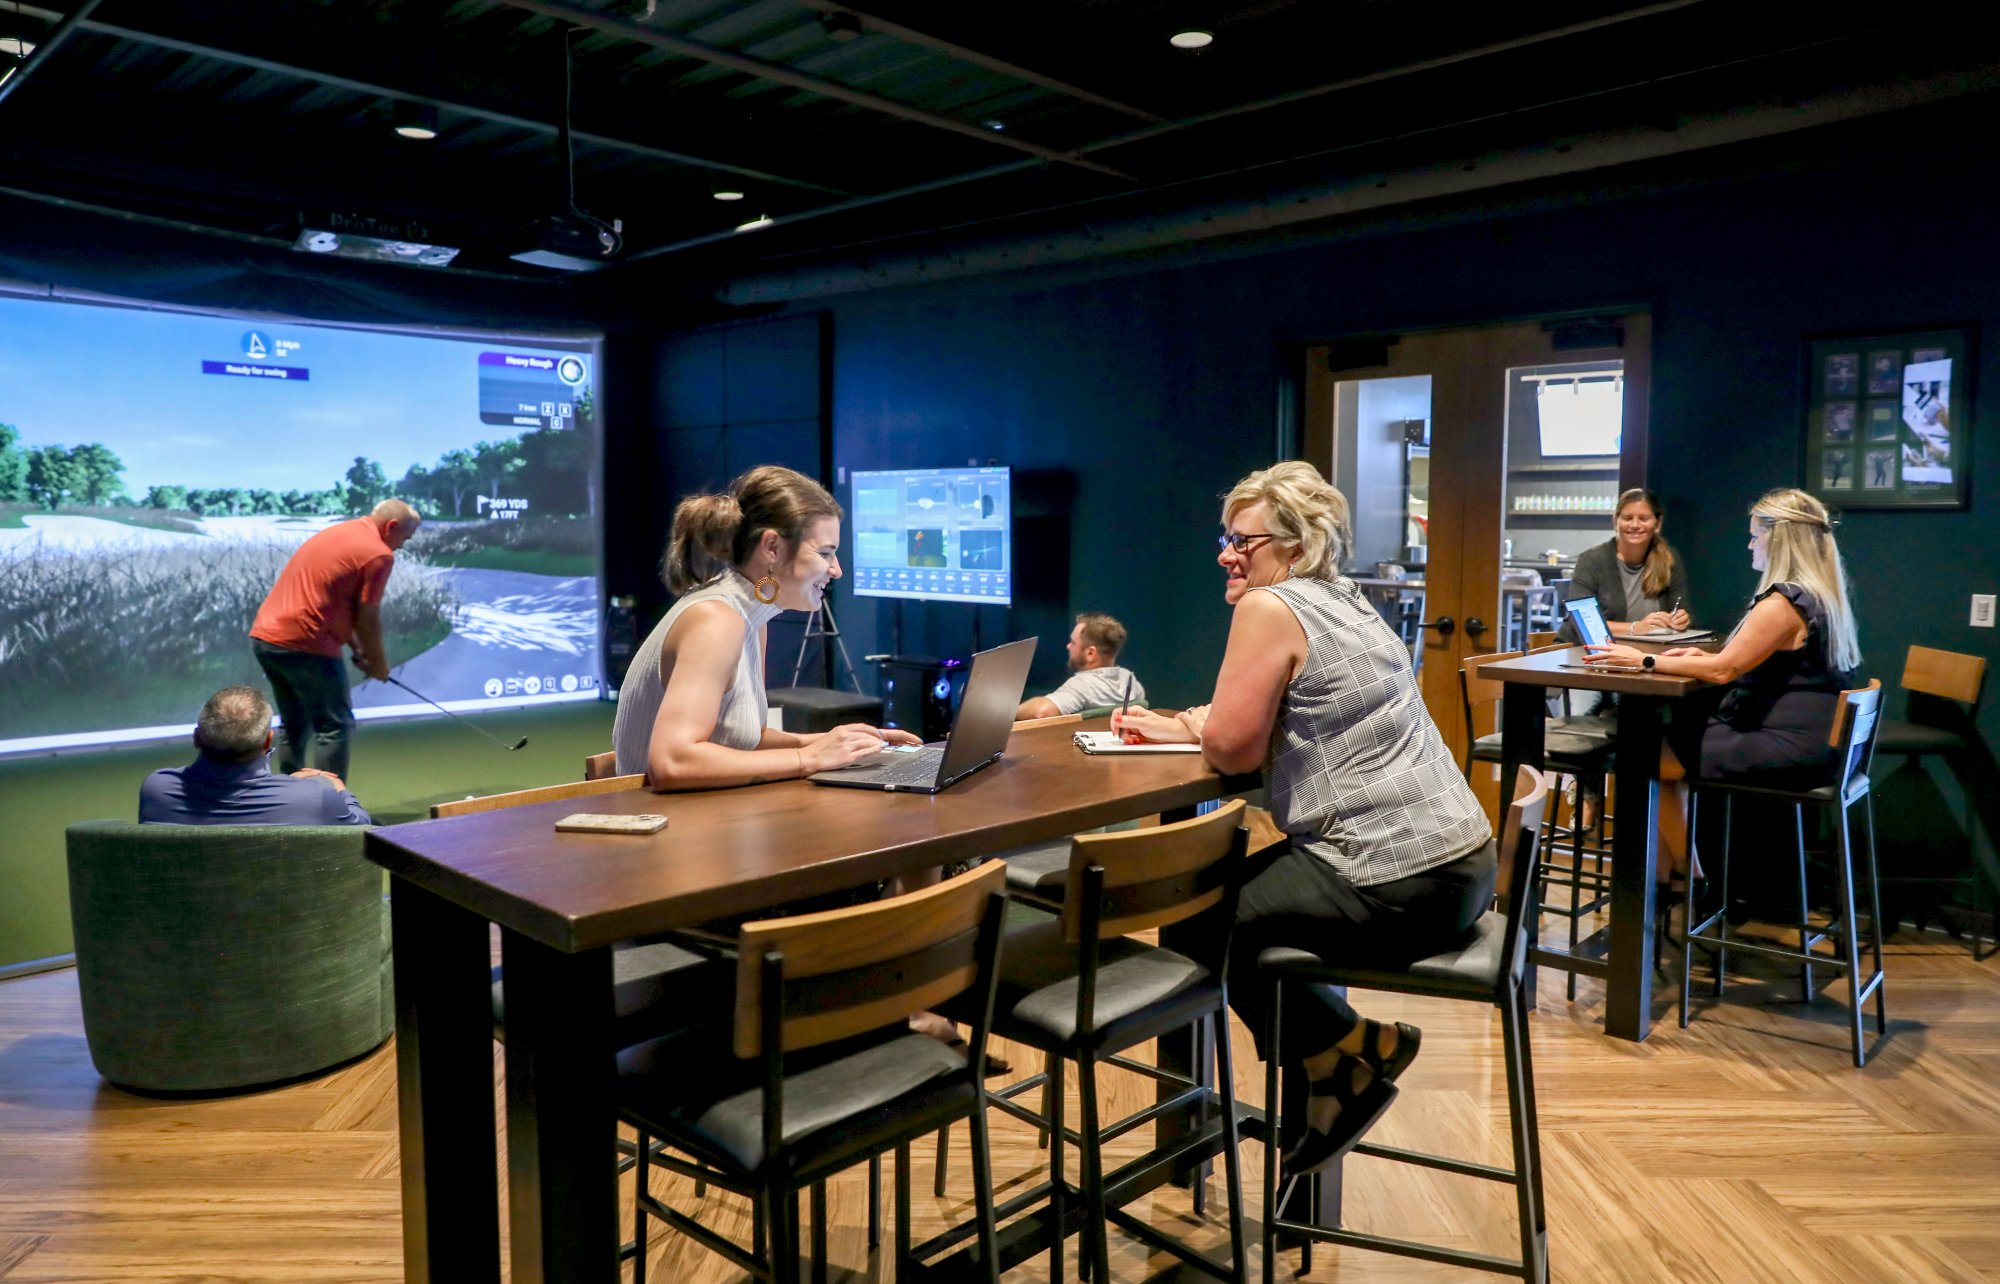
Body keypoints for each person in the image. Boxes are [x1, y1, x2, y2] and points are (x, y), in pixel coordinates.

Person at [1112, 461, 1495, 1176]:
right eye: (1223, 539)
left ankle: (1352, 1050)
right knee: (1250, 929)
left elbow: (1234, 747)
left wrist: (1202, 729)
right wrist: (1197, 724)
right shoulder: (1344, 599)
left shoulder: (1268, 606)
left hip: (1394, 875)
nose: (1227, 555)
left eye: (1243, 543)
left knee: (1199, 920)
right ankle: (1338, 1068)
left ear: (1293, 547)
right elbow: (1266, 718)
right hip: (1463, 862)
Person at [1584, 488, 1863, 887]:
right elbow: (1741, 660)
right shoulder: (1818, 595)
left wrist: (1642, 658)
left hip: (1785, 744)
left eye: (1755, 535)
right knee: (1653, 757)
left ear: (1779, 537)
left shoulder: (1783, 601)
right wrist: (1695, 657)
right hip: (1815, 744)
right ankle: (1664, 886)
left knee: (1639, 760)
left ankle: (1690, 879)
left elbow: (1724, 671)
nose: (1750, 544)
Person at [614, 465, 918, 787]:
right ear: (771, 547)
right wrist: (809, 758)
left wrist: (840, 743)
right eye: (825, 553)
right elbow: (672, 762)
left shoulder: (751, 617)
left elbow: (741, 741)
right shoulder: (716, 620)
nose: (836, 570)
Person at [249, 499, 421, 781]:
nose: (401, 546)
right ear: (391, 527)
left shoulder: (340, 533)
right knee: (334, 726)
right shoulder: (378, 554)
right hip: (307, 644)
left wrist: (356, 648)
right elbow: (368, 616)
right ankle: (329, 810)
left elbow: (336, 604)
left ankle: (290, 803)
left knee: (295, 724)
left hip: (266, 639)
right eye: (405, 537)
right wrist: (378, 663)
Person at [140, 685, 373, 826]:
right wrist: (339, 789)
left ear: (196, 738)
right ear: (268, 740)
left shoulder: (157, 789)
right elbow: (361, 829)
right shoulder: (314, 798)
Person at [1561, 487, 1695, 640]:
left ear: (1658, 524)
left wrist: (1681, 619)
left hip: (1643, 653)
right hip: (1586, 651)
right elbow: (1580, 622)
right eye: (1628, 518)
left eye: (1643, 519)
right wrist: (1635, 628)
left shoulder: (1670, 558)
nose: (1635, 525)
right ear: (1615, 521)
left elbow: (1682, 609)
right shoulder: (1591, 560)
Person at [1015, 612, 1145, 720]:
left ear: (1090, 653)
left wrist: (1009, 713)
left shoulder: (1083, 686)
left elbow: (1042, 712)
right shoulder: (1129, 678)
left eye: (1073, 642)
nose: (1068, 646)